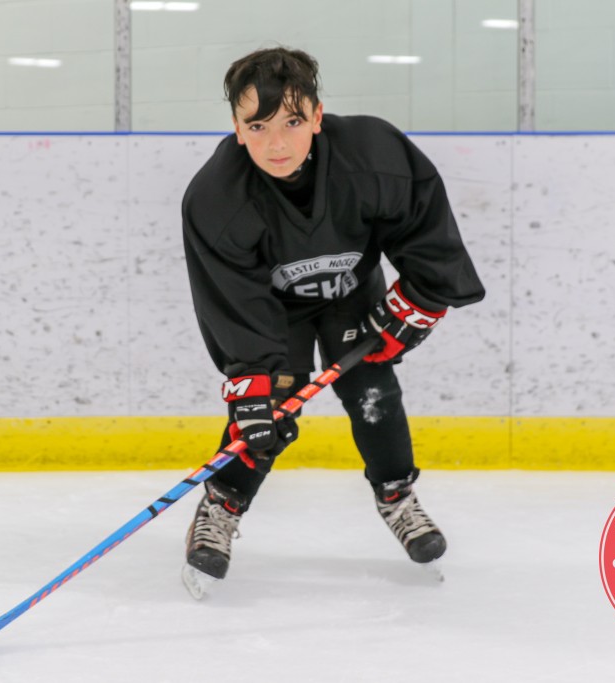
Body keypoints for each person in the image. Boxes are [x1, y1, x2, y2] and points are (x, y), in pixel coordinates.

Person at [180, 46, 484, 587]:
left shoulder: (372, 155)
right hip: (273, 310)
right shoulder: (216, 199)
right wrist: (253, 381)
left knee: (373, 390)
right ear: (235, 127)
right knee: (266, 408)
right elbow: (233, 301)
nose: (277, 143)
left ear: (318, 116)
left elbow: (423, 229)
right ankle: (222, 504)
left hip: (350, 292)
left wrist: (417, 302)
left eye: (293, 121)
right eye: (258, 125)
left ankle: (396, 494)